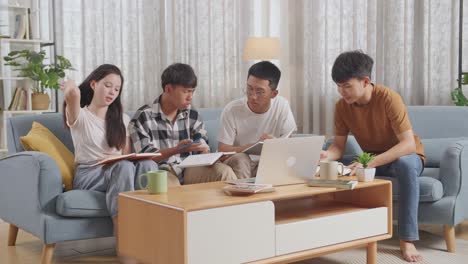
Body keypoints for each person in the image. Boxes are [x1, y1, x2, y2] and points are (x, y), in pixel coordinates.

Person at [321, 50, 425, 262]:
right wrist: (326, 156)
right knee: (339, 166)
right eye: (338, 86)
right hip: (372, 159)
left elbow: (408, 145)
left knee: (405, 165)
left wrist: (368, 163)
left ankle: (407, 239)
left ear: (365, 81)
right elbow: (338, 147)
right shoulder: (342, 106)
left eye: (347, 86)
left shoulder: (388, 98)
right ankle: (340, 230)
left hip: (406, 156)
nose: (342, 92)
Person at [61, 64, 158, 261]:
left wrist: (125, 158)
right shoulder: (80, 116)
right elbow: (72, 95)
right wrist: (71, 86)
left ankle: (152, 239)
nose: (112, 92)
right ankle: (125, 245)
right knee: (122, 167)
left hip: (117, 169)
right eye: (107, 85)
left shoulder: (121, 118)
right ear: (94, 84)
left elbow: (127, 155)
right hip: (90, 172)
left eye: (117, 89)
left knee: (149, 166)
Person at [129, 63, 237, 185]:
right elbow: (145, 158)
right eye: (186, 91)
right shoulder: (143, 117)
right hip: (161, 170)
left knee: (224, 172)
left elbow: (203, 149)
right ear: (168, 89)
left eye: (192, 91)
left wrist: (211, 156)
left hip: (189, 169)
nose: (190, 97)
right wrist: (176, 150)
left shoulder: (193, 116)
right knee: (171, 185)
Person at [218, 61, 297, 179]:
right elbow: (223, 150)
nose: (253, 96)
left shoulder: (282, 106)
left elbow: (289, 145)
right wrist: (253, 146)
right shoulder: (232, 110)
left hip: (266, 162)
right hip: (237, 162)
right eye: (249, 89)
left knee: (278, 162)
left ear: (274, 94)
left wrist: (274, 143)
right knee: (242, 159)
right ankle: (245, 196)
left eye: (260, 92)